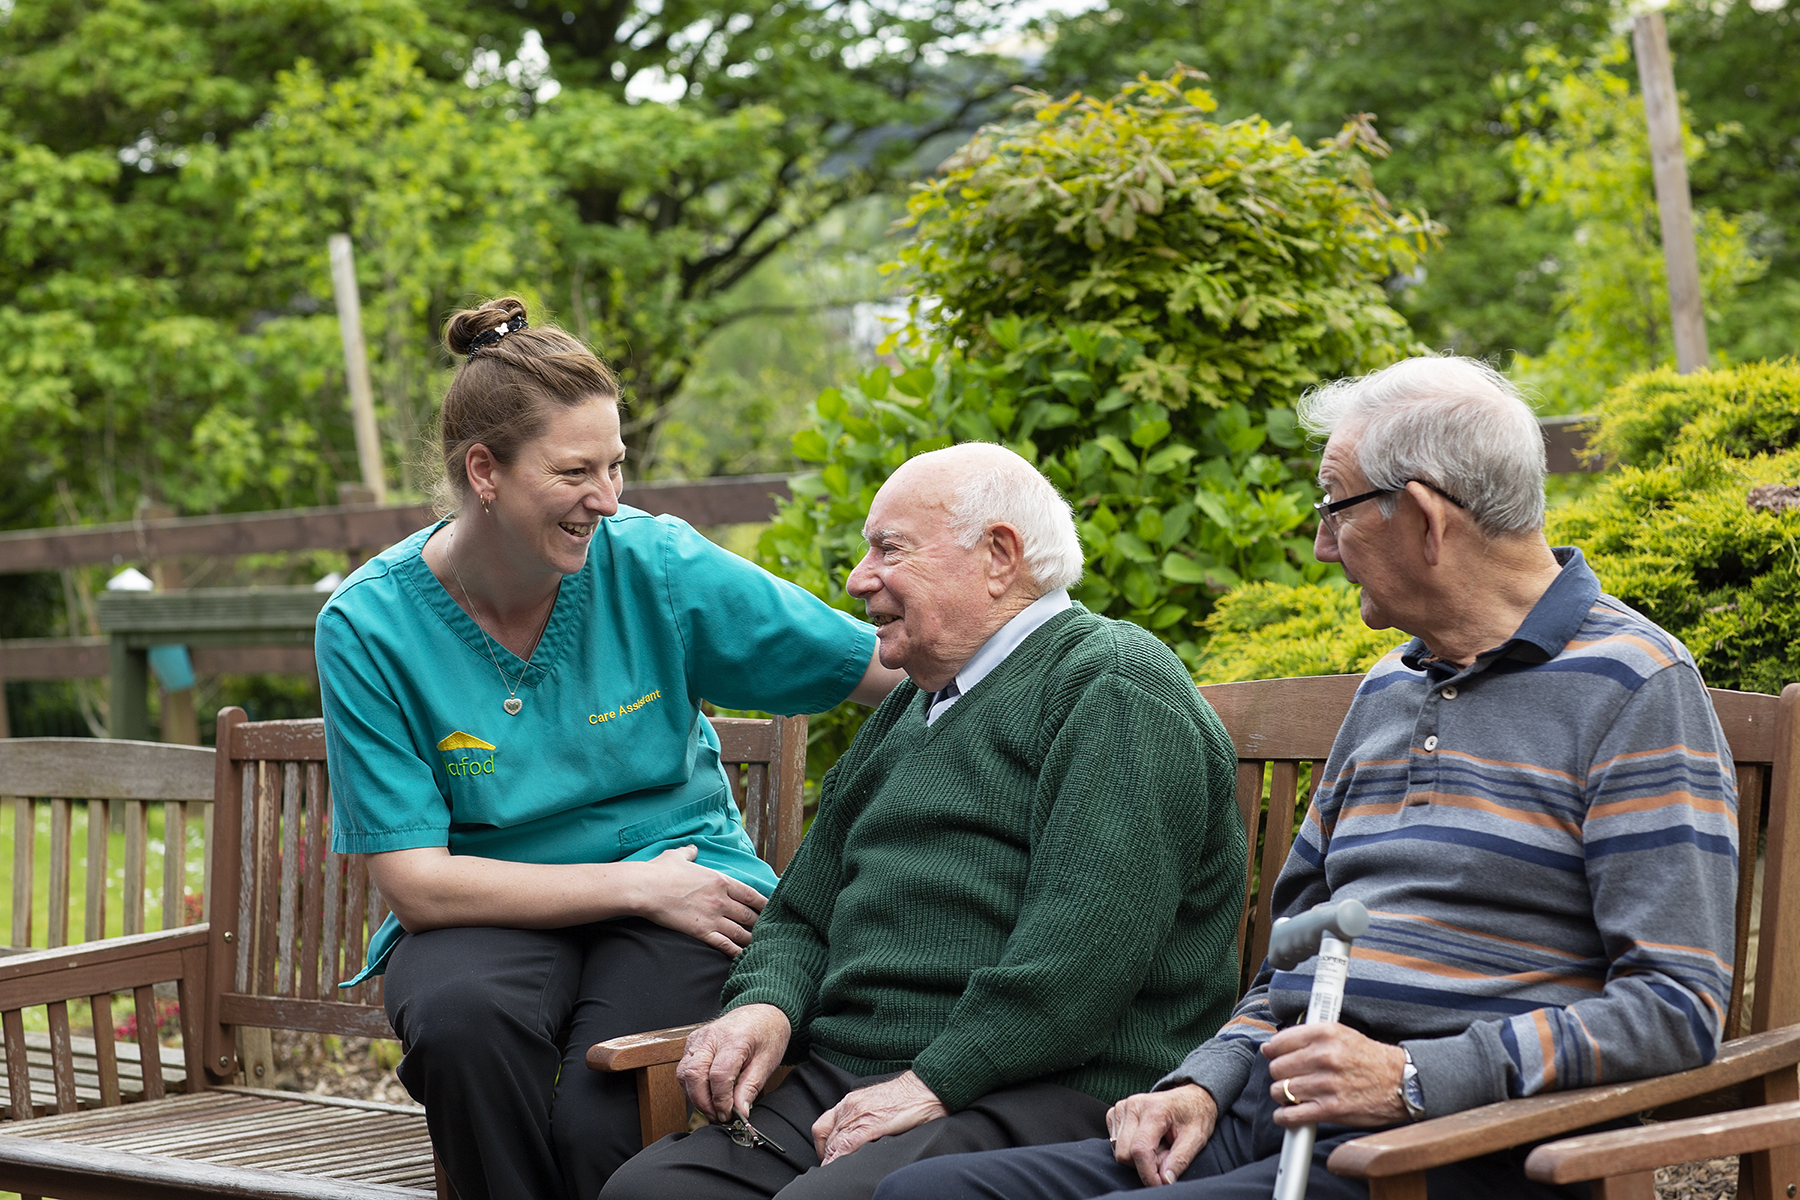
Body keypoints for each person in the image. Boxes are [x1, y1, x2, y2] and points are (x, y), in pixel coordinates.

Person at [870, 356, 1739, 1200]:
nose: (1323, 545)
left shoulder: (1635, 685)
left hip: (1450, 1147)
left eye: (1337, 509)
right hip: (1278, 1120)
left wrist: (1409, 1075)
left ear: (1427, 517)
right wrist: (1203, 1081)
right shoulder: (1391, 688)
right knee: (925, 1192)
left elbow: (1675, 1007)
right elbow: (1292, 958)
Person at [314, 298, 904, 1200]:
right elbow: (417, 883)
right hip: (494, 900)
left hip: (686, 893)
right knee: (461, 1024)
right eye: (575, 471)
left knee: (607, 1114)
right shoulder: (370, 625)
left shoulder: (655, 565)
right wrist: (641, 885)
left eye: (617, 465)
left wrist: (1047, 696)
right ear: (486, 471)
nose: (609, 498)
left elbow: (877, 667)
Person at [600, 443, 1247, 1200]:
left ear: (999, 555)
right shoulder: (915, 704)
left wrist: (934, 1081)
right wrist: (764, 1005)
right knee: (650, 1193)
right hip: (857, 1075)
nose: (858, 578)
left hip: (1048, 1089)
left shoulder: (1111, 685)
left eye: (889, 550)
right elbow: (803, 910)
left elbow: (1080, 964)